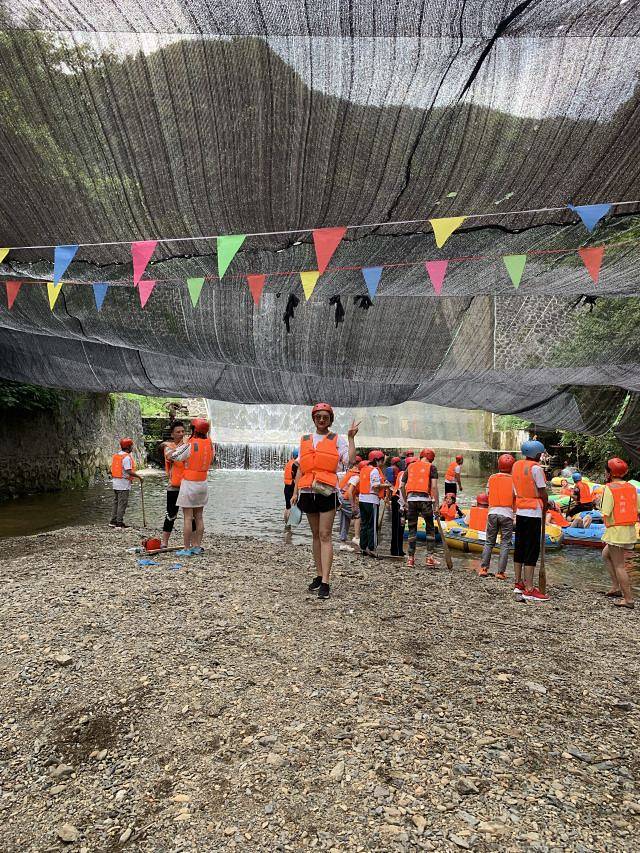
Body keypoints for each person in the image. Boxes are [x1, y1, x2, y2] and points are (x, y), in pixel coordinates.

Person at [292, 404, 359, 600]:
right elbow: (300, 469)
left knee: (325, 534)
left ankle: (326, 582)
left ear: (330, 419)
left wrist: (351, 438)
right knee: (315, 535)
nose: (322, 420)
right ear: (314, 419)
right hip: (307, 491)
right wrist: (294, 492)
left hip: (327, 492)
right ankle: (319, 574)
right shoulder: (305, 440)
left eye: (325, 417)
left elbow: (351, 461)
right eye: (318, 417)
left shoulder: (337, 440)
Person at [170, 418, 215, 555]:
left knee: (188, 517)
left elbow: (175, 456)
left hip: (190, 484)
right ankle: (197, 546)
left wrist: (173, 450)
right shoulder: (209, 444)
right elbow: (211, 459)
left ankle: (186, 548)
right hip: (203, 483)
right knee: (199, 516)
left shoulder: (190, 444)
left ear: (194, 429)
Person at [512, 440, 549, 601]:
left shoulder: (516, 466)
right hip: (533, 511)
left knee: (520, 546)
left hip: (520, 509)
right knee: (531, 549)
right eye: (540, 453)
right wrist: (547, 505)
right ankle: (529, 588)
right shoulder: (536, 469)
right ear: (536, 454)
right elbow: (542, 491)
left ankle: (518, 582)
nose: (541, 456)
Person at [600, 457, 639, 610]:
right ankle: (616, 587)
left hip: (616, 531)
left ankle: (628, 599)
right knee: (605, 554)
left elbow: (606, 511)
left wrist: (598, 503)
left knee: (619, 565)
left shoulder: (609, 488)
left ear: (610, 473)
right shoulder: (631, 487)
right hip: (628, 530)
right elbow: (638, 507)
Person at [479, 453, 516, 580]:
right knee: (505, 543)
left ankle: (484, 568)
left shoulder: (491, 478)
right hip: (507, 514)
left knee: (489, 542)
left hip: (492, 513)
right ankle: (500, 572)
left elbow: (488, 493)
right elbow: (516, 496)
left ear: (499, 464)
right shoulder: (514, 479)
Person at [402, 449, 440, 568]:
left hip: (411, 501)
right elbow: (433, 487)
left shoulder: (410, 466)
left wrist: (405, 501)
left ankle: (410, 559)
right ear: (431, 458)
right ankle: (429, 558)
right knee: (430, 529)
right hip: (425, 501)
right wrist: (436, 505)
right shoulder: (432, 467)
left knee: (412, 529)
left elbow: (402, 486)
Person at [160, 420, 195, 548]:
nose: (181, 434)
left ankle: (193, 542)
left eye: (182, 431)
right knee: (170, 514)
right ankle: (164, 541)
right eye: (178, 432)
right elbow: (171, 457)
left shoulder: (189, 445)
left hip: (188, 484)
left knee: (191, 516)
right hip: (174, 486)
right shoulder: (168, 447)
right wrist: (184, 444)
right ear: (172, 434)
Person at [358, 450, 387, 556]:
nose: (382, 463)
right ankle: (372, 548)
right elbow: (375, 486)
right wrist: (387, 486)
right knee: (372, 525)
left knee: (364, 524)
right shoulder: (374, 471)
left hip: (362, 500)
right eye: (382, 460)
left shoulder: (363, 469)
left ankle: (363, 547)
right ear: (377, 460)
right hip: (372, 500)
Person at [109, 437, 142, 528]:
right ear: (128, 447)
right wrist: (139, 477)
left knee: (116, 503)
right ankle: (119, 522)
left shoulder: (117, 455)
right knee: (122, 503)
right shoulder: (126, 458)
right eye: (131, 446)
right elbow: (128, 471)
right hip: (123, 485)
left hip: (115, 483)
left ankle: (112, 521)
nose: (132, 447)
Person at [338, 461, 362, 549]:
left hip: (339, 497)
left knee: (344, 520)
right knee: (358, 514)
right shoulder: (356, 477)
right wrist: (353, 506)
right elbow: (350, 491)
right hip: (345, 498)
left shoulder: (347, 473)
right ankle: (356, 537)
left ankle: (343, 543)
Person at [390, 460, 407, 557]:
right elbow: (401, 489)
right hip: (398, 501)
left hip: (400, 501)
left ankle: (399, 549)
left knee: (401, 526)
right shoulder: (403, 474)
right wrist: (403, 505)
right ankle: (395, 550)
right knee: (397, 526)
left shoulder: (402, 473)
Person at [283, 449, 299, 528]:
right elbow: (296, 477)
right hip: (292, 486)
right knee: (290, 507)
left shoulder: (288, 463)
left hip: (286, 486)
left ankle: (286, 525)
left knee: (287, 507)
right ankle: (289, 525)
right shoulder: (295, 465)